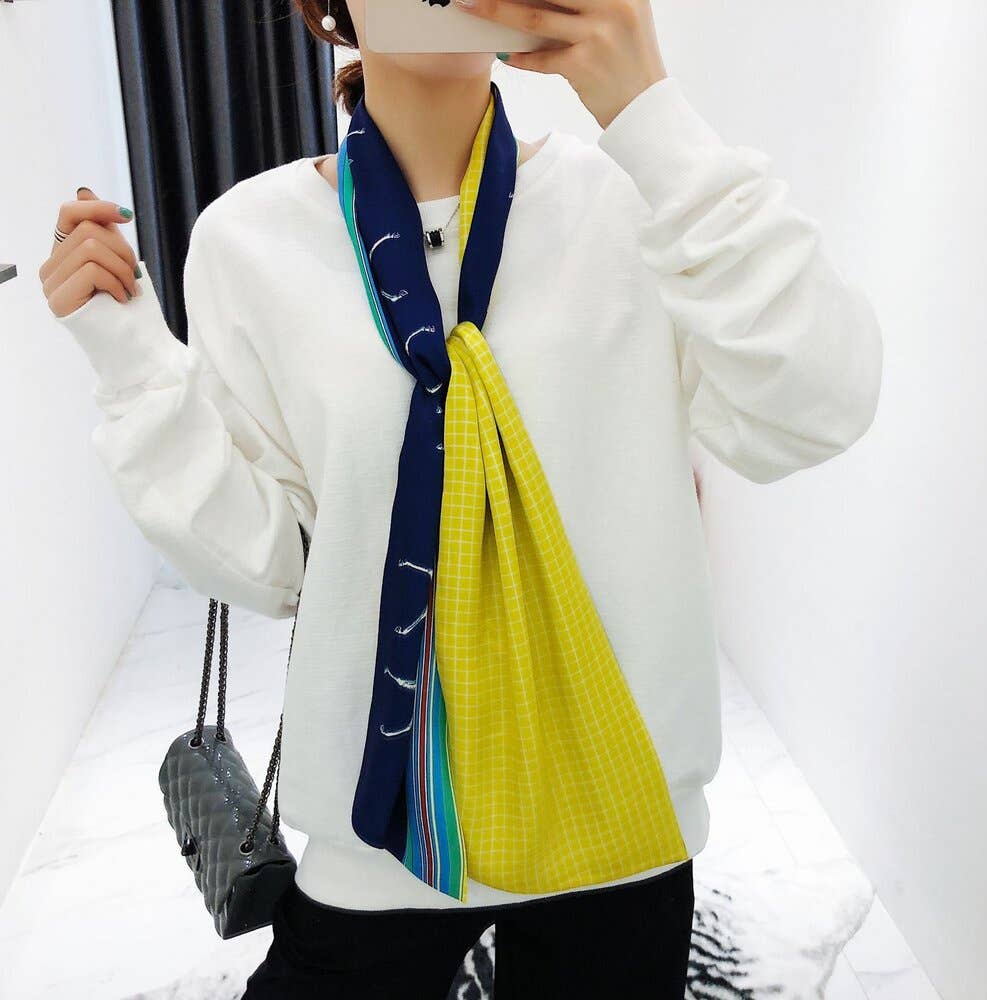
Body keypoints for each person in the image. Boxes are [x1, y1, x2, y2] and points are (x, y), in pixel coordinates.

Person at [38, 0, 883, 996]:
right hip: (378, 833)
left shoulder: (632, 199)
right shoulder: (249, 242)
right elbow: (271, 563)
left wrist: (647, 108)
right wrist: (131, 359)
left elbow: (816, 408)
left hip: (617, 820)